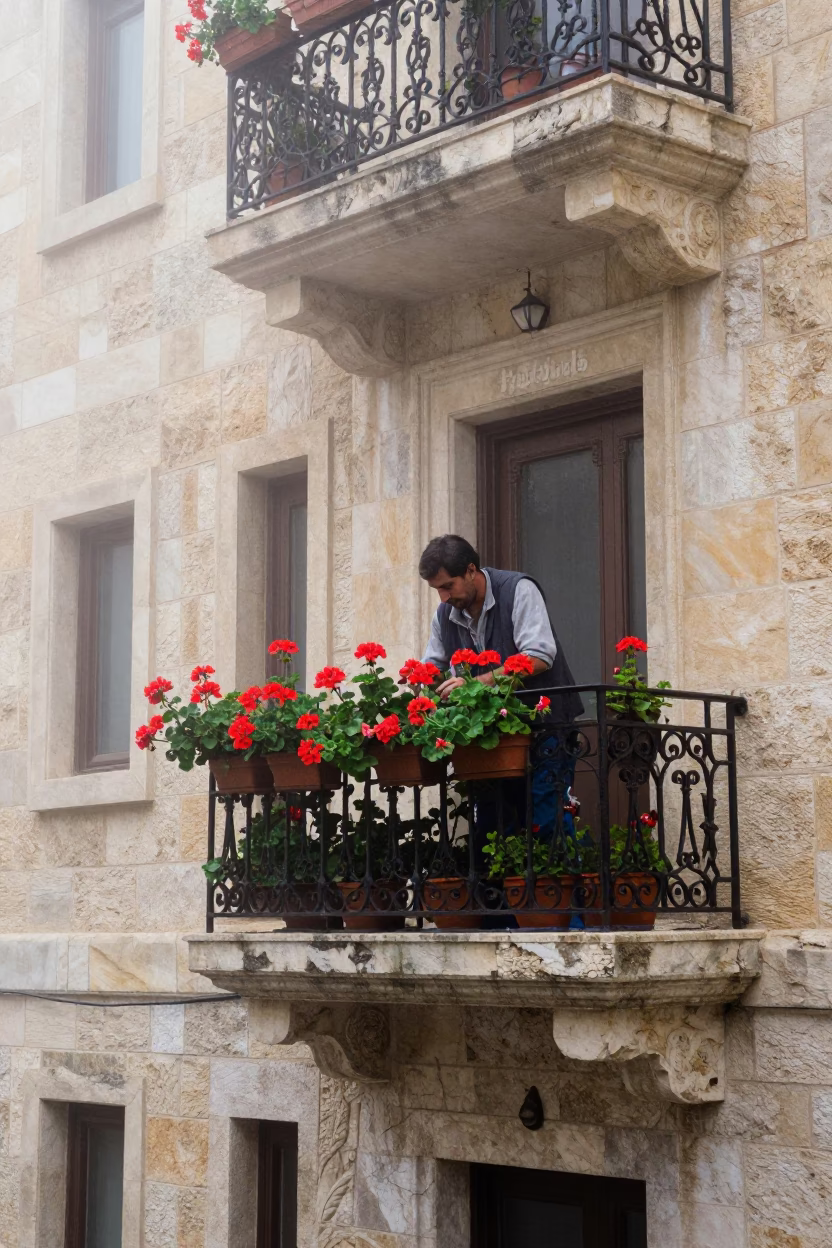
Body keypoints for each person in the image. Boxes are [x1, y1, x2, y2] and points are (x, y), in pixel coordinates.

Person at [419, 534, 583, 849]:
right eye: (437, 589)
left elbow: (539, 656)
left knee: (547, 818)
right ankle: (509, 898)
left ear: (470, 570)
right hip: (491, 735)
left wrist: (476, 683)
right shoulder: (445, 614)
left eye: (447, 586)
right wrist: (419, 684)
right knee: (495, 827)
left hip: (545, 724)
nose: (442, 597)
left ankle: (563, 896)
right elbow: (433, 666)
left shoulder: (519, 590)